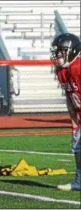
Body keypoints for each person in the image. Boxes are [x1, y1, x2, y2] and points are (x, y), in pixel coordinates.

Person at [51, 32, 81, 191]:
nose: (57, 55)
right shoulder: (62, 71)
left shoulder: (78, 67)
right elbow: (70, 98)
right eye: (57, 51)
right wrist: (74, 123)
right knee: (77, 145)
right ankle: (79, 181)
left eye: (61, 51)